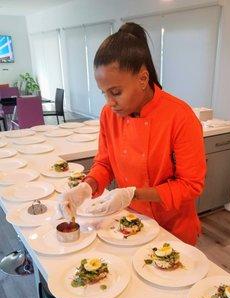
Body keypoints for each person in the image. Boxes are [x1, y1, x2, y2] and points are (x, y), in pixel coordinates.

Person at [59, 22, 206, 245]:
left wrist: (132, 194)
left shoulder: (180, 116)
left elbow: (190, 185)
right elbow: (105, 163)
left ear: (143, 79)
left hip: (173, 229)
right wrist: (86, 186)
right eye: (104, 93)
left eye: (116, 92)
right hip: (131, 222)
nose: (110, 102)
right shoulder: (109, 115)